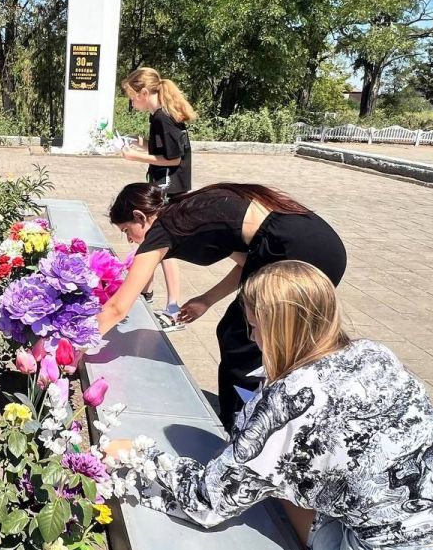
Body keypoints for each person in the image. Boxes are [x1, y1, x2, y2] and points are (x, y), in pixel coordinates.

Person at [105, 261, 433, 550]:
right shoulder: (375, 355)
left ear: (275, 327)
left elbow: (207, 503)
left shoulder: (288, 399)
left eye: (255, 326)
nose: (253, 336)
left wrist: (139, 455)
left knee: (279, 485)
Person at [99, 181, 346, 431]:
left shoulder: (165, 227)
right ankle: (274, 413)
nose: (130, 240)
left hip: (298, 250)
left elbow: (118, 307)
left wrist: (78, 345)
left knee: (242, 341)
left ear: (140, 216)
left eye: (127, 230)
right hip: (316, 243)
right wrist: (206, 300)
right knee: (256, 338)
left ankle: (243, 428)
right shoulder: (186, 211)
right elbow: (248, 262)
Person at [117, 67, 197, 325]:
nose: (131, 101)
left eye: (132, 96)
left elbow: (173, 159)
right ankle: (146, 294)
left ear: (143, 92)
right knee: (155, 242)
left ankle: (172, 306)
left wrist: (135, 156)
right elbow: (163, 147)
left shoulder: (163, 116)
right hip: (165, 185)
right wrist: (140, 143)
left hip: (170, 188)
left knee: (164, 245)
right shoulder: (158, 116)